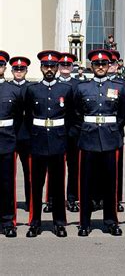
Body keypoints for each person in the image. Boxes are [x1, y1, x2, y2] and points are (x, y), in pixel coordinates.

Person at [74, 49, 125, 236]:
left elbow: (122, 115)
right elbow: (77, 114)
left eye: (104, 64)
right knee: (86, 183)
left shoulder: (119, 87)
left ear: (109, 66)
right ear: (91, 66)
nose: (100, 67)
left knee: (110, 184)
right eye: (96, 64)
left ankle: (111, 221)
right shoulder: (82, 88)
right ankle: (85, 222)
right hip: (88, 138)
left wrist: (113, 129)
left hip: (110, 138)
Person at [23, 50, 74, 238]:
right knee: (36, 185)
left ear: (57, 67)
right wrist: (31, 138)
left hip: (58, 141)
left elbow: (70, 117)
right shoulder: (32, 89)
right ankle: (34, 222)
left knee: (58, 185)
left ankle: (59, 222)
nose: (50, 69)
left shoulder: (66, 89)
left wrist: (65, 139)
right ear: (41, 68)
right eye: (46, 66)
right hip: (37, 142)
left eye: (53, 66)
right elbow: (28, 117)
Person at [0, 51, 22, 238]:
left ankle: (8, 221)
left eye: (0, 65)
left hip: (6, 140)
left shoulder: (13, 90)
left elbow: (19, 119)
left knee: (7, 184)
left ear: (4, 67)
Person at [57, 53, 81, 213]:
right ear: (58, 67)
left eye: (68, 65)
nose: (65, 67)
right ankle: (54, 199)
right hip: (55, 132)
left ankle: (72, 198)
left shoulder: (79, 85)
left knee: (73, 168)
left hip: (73, 132)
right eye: (63, 65)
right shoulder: (51, 83)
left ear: (72, 67)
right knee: (55, 168)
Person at [9, 56, 32, 212]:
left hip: (28, 135)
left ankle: (31, 202)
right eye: (16, 69)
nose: (19, 72)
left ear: (26, 71)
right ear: (12, 71)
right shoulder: (7, 87)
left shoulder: (32, 88)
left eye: (21, 69)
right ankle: (8, 203)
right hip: (9, 135)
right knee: (8, 174)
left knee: (29, 173)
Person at [108, 50, 125, 213]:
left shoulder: (122, 84)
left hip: (115, 131)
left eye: (114, 63)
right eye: (109, 63)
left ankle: (116, 199)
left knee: (116, 168)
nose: (111, 66)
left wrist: (117, 127)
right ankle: (97, 198)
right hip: (96, 131)